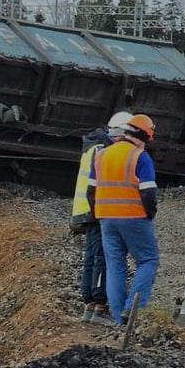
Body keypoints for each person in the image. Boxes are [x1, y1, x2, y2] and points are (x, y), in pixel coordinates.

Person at [88, 114, 159, 326]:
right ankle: (132, 309)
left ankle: (119, 319)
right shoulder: (140, 156)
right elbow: (148, 193)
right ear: (143, 137)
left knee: (115, 265)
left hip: (106, 218)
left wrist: (99, 213)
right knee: (148, 260)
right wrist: (150, 214)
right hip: (134, 216)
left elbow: (91, 191)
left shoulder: (101, 155)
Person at [71, 111, 133, 326]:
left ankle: (89, 306)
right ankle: (99, 306)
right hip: (98, 210)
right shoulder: (103, 150)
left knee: (92, 257)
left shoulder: (93, 147)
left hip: (87, 210)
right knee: (102, 258)